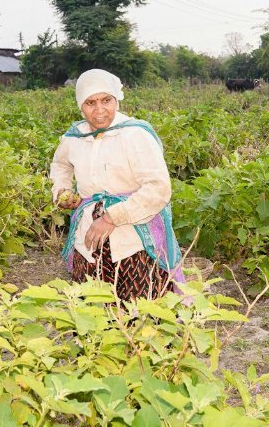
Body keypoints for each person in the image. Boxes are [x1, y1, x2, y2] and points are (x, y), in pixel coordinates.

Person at [51, 69, 183, 301]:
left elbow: (158, 188)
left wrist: (112, 217)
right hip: (89, 238)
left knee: (138, 309)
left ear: (117, 100)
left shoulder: (134, 134)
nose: (99, 109)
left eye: (106, 100)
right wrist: (62, 190)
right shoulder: (74, 137)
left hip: (135, 237)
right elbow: (60, 164)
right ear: (80, 105)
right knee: (92, 308)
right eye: (90, 102)